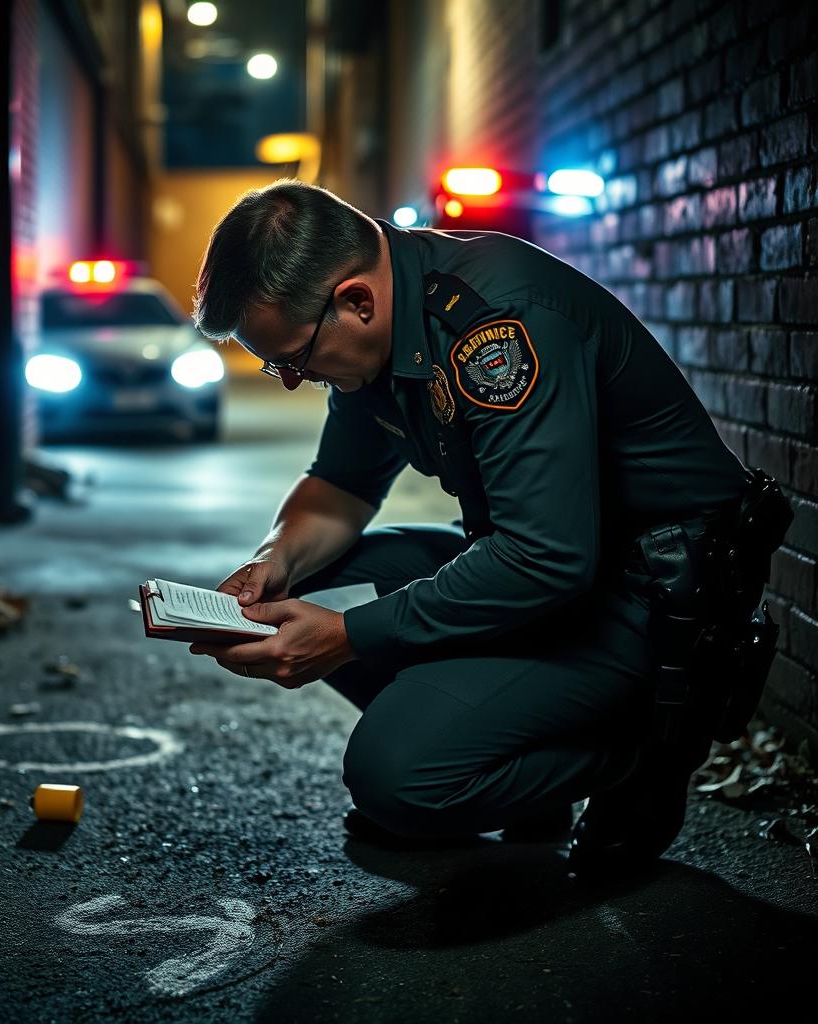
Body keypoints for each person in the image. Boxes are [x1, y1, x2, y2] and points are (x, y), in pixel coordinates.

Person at [187, 179, 785, 877]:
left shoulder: (495, 327)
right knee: (311, 579)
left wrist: (346, 638)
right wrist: (273, 561)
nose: (292, 380)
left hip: (648, 597)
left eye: (294, 359)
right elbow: (343, 484)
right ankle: (515, 750)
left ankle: (645, 748)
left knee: (396, 777)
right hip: (552, 567)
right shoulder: (377, 323)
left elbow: (545, 559)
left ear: (356, 301)